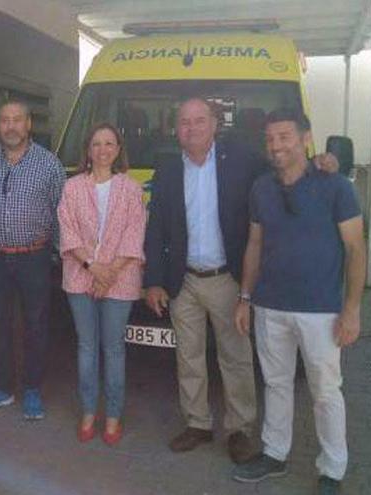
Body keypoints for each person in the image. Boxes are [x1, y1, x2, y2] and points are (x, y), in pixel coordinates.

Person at [231, 109, 364, 495]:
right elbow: (254, 245)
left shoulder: (336, 186)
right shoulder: (261, 188)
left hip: (321, 310)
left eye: (285, 136)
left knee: (325, 390)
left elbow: (356, 249)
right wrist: (244, 297)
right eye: (271, 138)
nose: (276, 146)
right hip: (270, 305)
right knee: (275, 383)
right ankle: (274, 454)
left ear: (306, 138)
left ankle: (332, 469)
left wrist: (351, 310)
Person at [143, 97, 263, 463]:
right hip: (185, 281)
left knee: (235, 357)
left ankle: (241, 429)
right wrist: (154, 281)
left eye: (199, 121)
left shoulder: (241, 161)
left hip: (226, 278)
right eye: (183, 122)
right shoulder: (167, 168)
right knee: (189, 357)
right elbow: (157, 227)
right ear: (175, 129)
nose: (191, 128)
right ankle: (197, 423)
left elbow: (283, 170)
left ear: (215, 124)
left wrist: (323, 165)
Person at [0, 99, 65, 420]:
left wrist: (57, 255)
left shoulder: (49, 164)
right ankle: (1, 387)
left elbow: (59, 213)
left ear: (28, 125)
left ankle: (32, 389)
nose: (11, 126)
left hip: (35, 258)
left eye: (17, 120)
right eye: (5, 120)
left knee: (35, 325)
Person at [57, 123, 145, 445]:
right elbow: (67, 231)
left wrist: (109, 273)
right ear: (88, 150)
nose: (103, 149)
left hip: (119, 279)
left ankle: (112, 416)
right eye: (97, 143)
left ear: (118, 149)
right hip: (80, 276)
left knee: (113, 349)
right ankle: (88, 411)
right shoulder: (72, 187)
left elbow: (134, 234)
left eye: (110, 143)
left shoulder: (131, 189)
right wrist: (93, 268)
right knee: (86, 347)